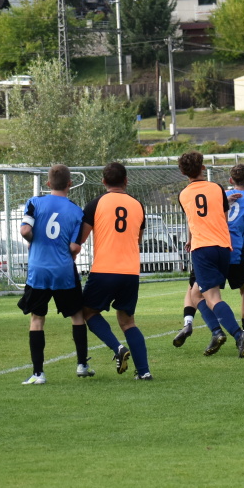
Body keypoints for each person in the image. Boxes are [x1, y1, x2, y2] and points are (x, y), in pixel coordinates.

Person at [173, 164, 244, 347]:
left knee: (196, 291)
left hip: (206, 247)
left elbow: (195, 216)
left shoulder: (218, 193)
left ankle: (193, 324)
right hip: (232, 252)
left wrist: (190, 238)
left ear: (230, 180)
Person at [77, 162, 151, 380]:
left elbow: (81, 238)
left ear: (103, 182)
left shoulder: (95, 204)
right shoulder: (138, 205)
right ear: (126, 180)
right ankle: (144, 372)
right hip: (130, 271)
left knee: (88, 312)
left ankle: (118, 348)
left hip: (105, 269)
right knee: (128, 322)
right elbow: (138, 239)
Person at [17, 164, 89, 385]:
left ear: (48, 184)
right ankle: (82, 365)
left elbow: (25, 230)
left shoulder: (34, 202)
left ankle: (38, 374)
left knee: (37, 319)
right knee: (77, 315)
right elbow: (75, 247)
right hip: (63, 270)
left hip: (38, 270)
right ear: (70, 184)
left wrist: (34, 242)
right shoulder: (76, 211)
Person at [178, 151, 244, 358]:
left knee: (211, 297)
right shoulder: (217, 188)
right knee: (196, 293)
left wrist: (191, 239)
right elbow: (223, 217)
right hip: (222, 247)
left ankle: (238, 334)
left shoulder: (183, 194)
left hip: (202, 248)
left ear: (183, 172)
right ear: (203, 168)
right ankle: (216, 332)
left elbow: (192, 219)